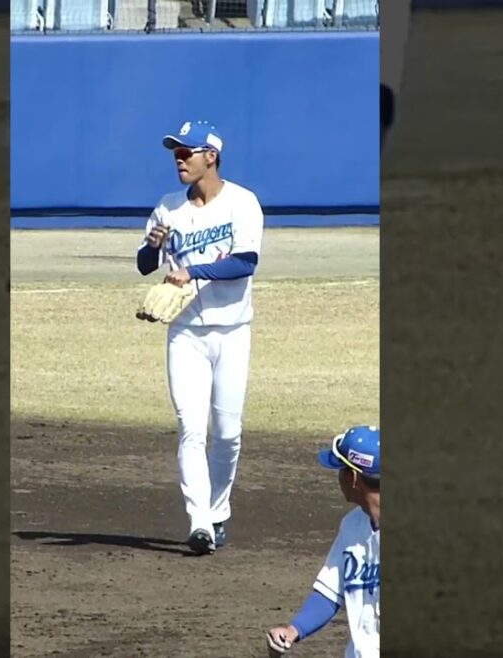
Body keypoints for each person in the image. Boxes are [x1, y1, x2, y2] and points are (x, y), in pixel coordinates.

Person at [136, 119, 265, 556]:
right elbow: (143, 264)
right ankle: (200, 523)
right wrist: (153, 247)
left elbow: (246, 262)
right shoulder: (169, 207)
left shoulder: (242, 203)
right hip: (186, 334)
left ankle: (218, 508)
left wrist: (193, 270)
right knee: (191, 428)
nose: (179, 158)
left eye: (186, 151)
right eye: (175, 151)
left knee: (228, 433)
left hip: (232, 332)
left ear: (211, 156)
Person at [265, 425, 381, 657]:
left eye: (340, 470)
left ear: (353, 477)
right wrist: (293, 630)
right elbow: (330, 593)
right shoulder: (352, 526)